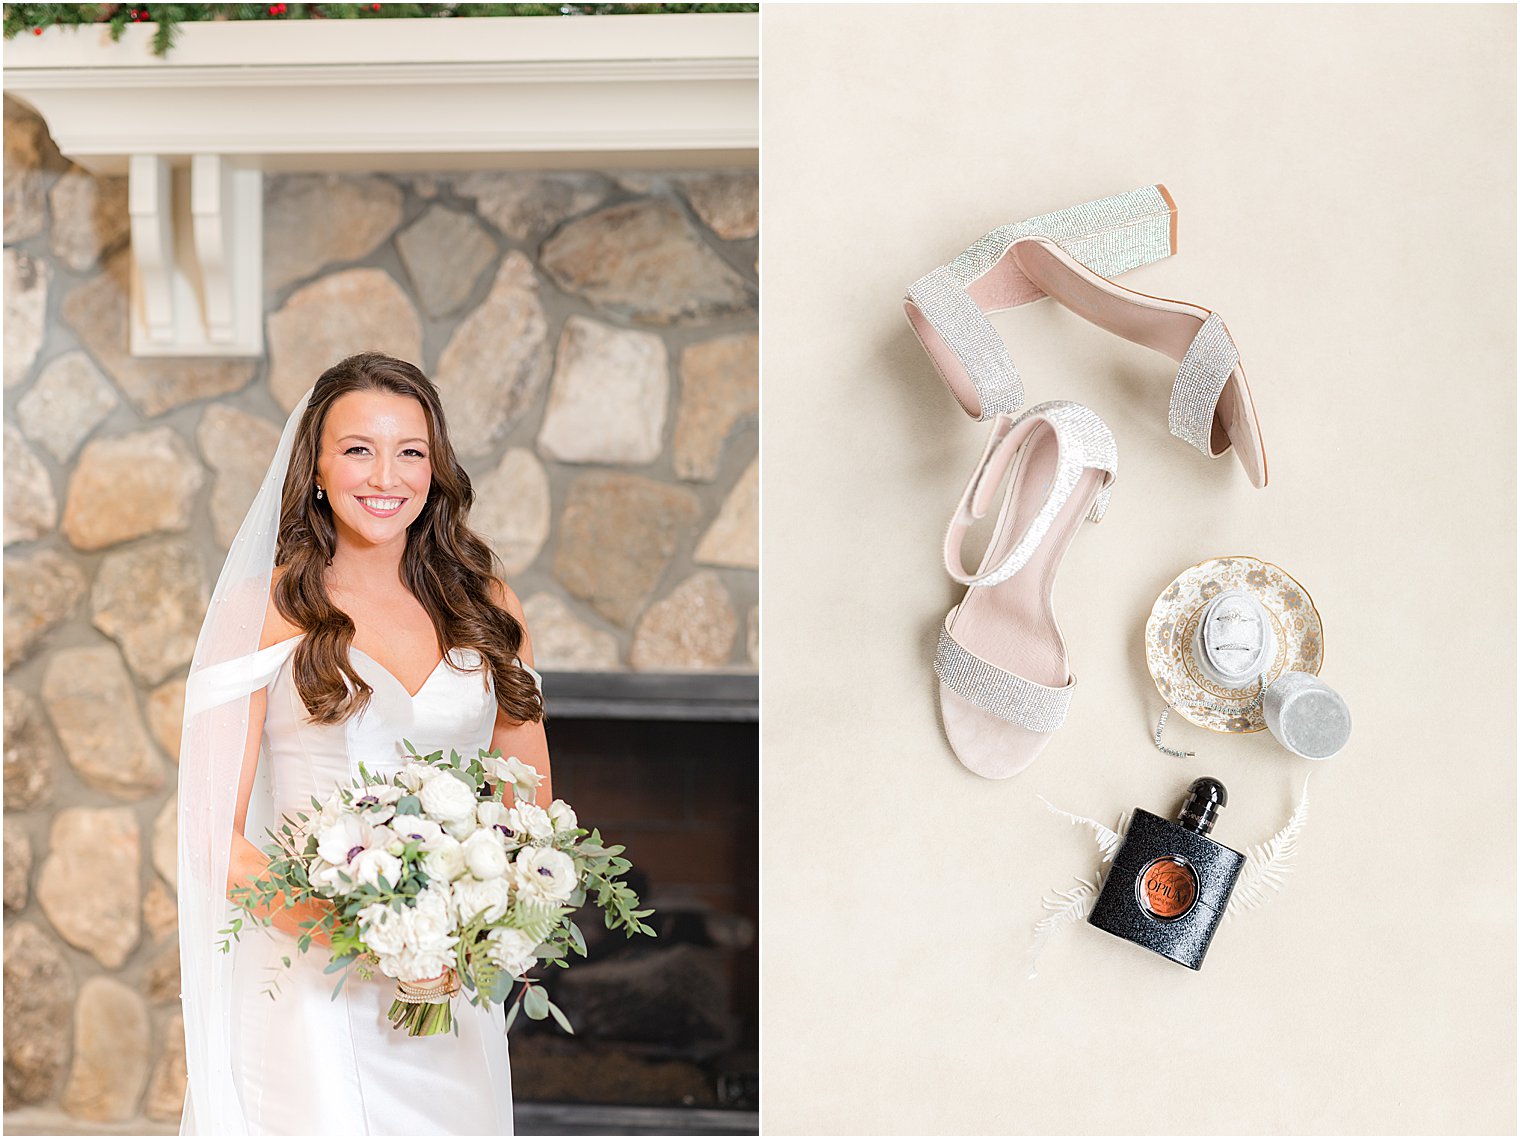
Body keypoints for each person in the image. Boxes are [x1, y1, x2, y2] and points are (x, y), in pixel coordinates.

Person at [177, 353, 548, 1135]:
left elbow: (530, 808)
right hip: (309, 987)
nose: (388, 475)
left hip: (451, 984)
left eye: (411, 450)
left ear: (436, 467)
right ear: (314, 466)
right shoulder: (266, 606)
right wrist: (362, 934)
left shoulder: (488, 603)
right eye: (358, 449)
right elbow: (215, 835)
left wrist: (478, 924)